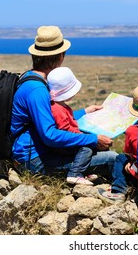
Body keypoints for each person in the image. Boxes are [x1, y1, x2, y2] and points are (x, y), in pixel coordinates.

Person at [10, 25, 117, 184]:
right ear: (61, 56)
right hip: (34, 160)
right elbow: (49, 135)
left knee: (92, 149)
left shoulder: (33, 78)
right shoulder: (37, 90)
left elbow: (51, 117)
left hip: (37, 152)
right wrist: (93, 139)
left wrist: (85, 112)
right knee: (112, 159)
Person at [47, 66, 98, 185]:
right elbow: (65, 129)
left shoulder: (59, 106)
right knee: (86, 149)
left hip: (66, 141)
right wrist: (81, 136)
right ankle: (75, 174)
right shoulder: (58, 110)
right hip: (62, 145)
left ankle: (82, 172)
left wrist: (86, 112)